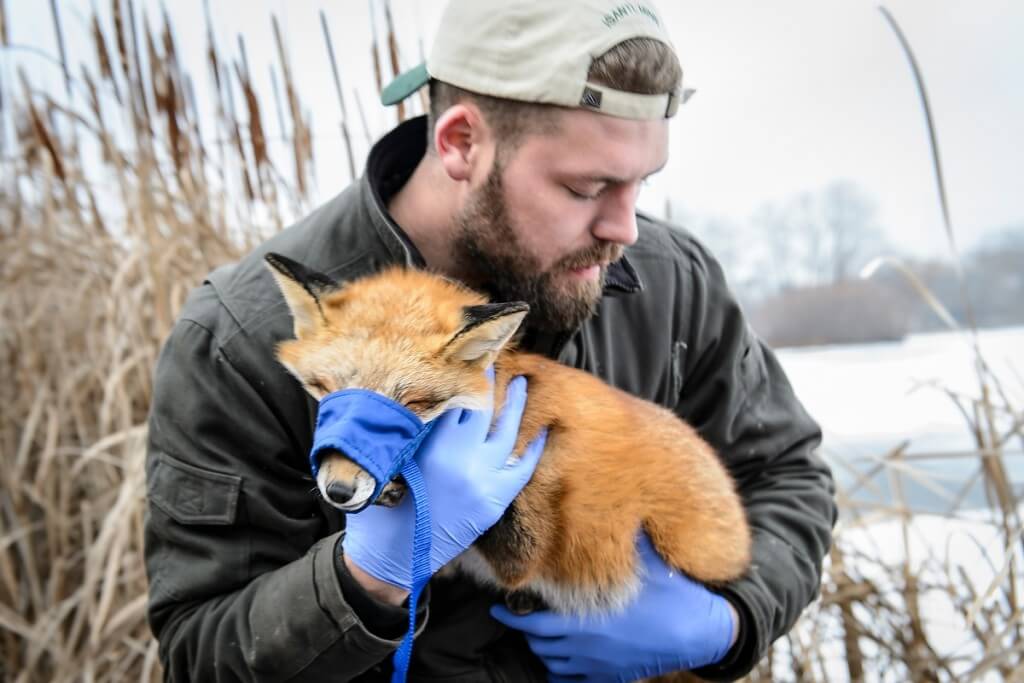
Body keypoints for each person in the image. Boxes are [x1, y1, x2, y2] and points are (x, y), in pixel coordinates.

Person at [143, 0, 837, 680]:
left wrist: (726, 622)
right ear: (461, 144)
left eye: (640, 182)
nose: (624, 229)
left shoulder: (671, 279)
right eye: (586, 186)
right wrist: (366, 579)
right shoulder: (240, 337)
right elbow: (201, 650)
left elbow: (787, 473)